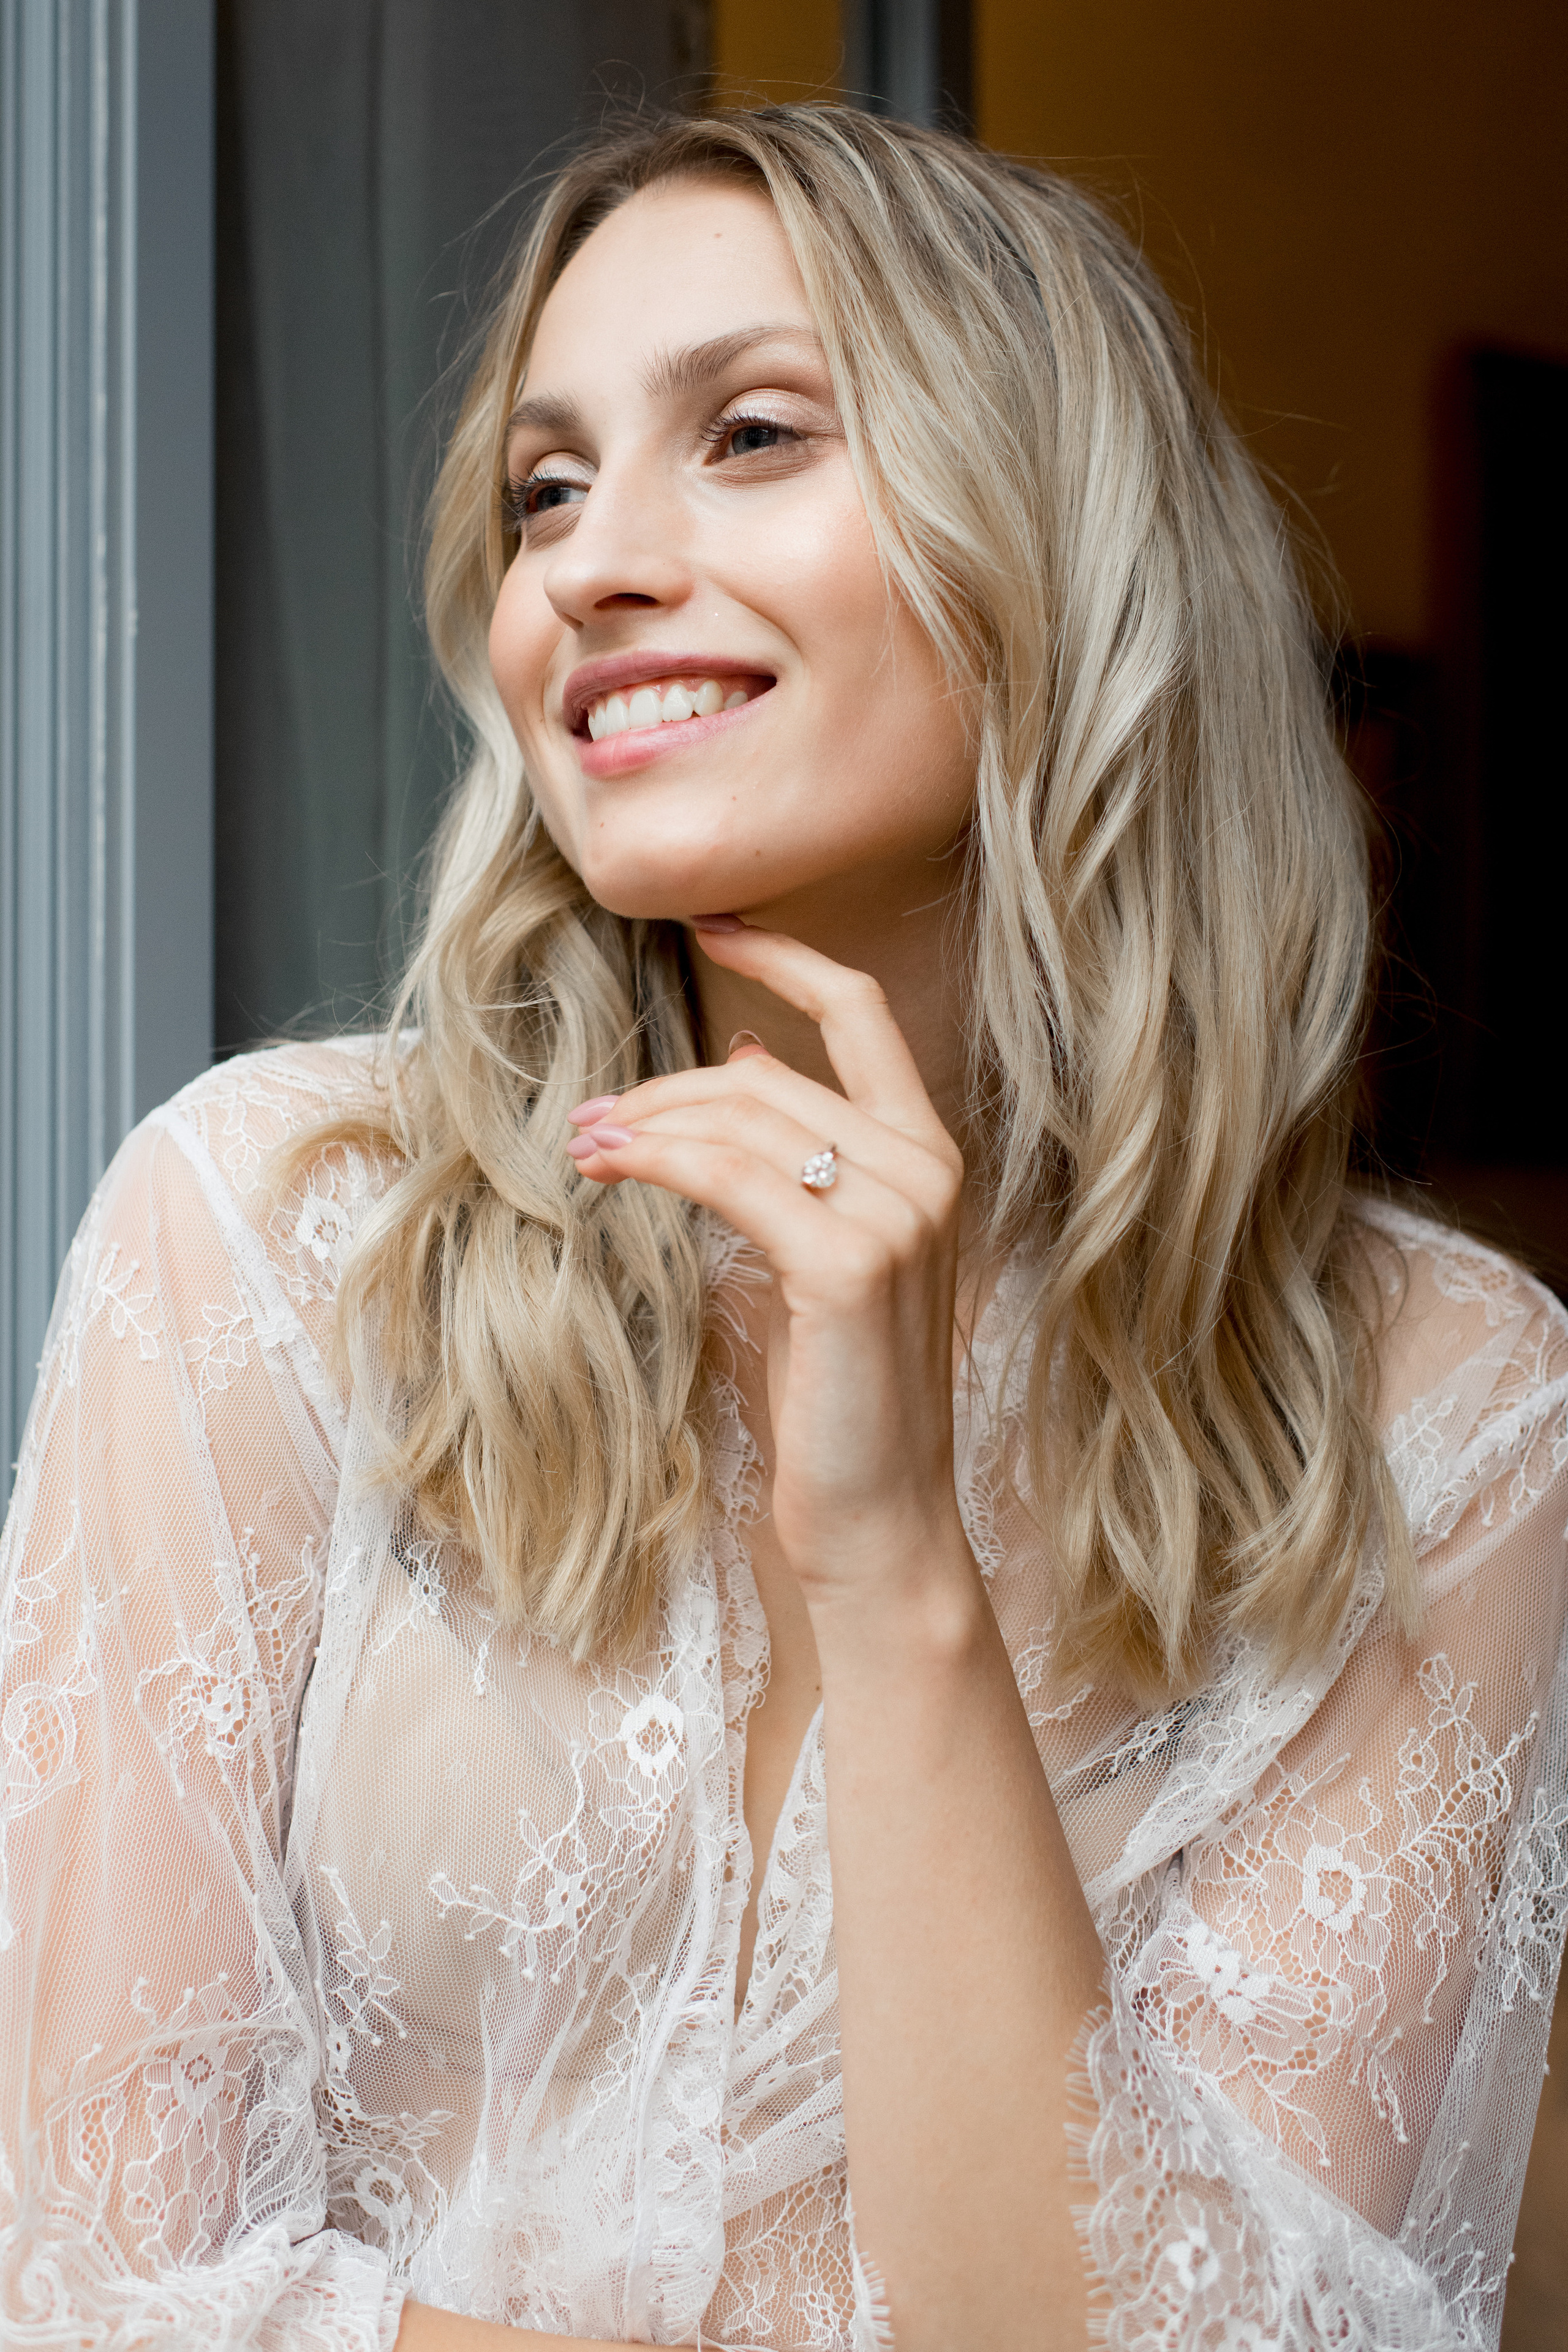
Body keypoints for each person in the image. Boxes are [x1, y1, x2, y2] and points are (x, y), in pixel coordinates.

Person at [2, 103, 1564, 2352]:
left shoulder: (1452, 1411)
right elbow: (89, 2285)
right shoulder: (270, 1237)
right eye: (547, 487)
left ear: (1056, 546)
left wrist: (902, 1561)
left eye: (749, 434)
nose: (589, 567)